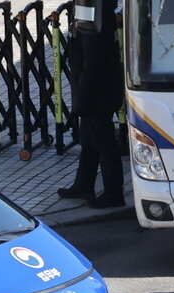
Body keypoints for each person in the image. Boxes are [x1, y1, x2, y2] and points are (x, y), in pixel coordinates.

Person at [57, 0, 125, 208]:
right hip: (94, 86)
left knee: (103, 141)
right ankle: (84, 183)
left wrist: (82, 99)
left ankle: (114, 192)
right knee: (89, 137)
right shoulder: (89, 7)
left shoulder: (95, 14)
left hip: (97, 91)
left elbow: (93, 62)